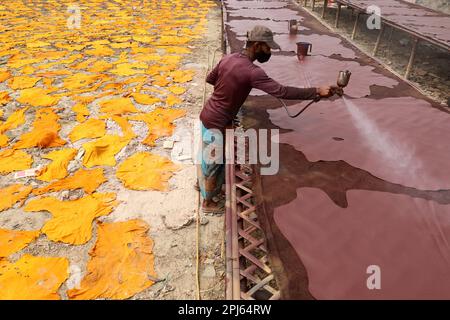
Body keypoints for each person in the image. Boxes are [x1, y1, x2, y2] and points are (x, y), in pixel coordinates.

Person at [198, 25, 342, 214]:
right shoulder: (253, 72)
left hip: (208, 114)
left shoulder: (229, 58)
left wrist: (229, 92)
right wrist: (316, 91)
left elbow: (210, 79)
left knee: (209, 158)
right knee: (214, 163)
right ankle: (208, 204)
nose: (270, 51)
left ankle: (202, 186)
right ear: (257, 45)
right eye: (268, 47)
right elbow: (282, 92)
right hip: (217, 121)